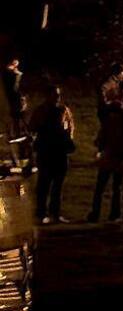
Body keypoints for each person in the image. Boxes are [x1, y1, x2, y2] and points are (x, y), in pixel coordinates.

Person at [87, 85, 123, 223]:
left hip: (107, 158)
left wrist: (100, 150)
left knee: (100, 187)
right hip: (119, 159)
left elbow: (99, 141)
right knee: (117, 188)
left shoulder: (107, 123)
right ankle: (115, 213)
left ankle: (95, 213)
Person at [30, 87, 75, 224]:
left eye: (58, 95)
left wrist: (69, 139)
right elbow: (33, 127)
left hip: (60, 152)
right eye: (54, 94)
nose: (57, 97)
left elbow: (70, 126)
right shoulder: (41, 111)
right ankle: (41, 213)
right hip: (46, 151)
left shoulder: (64, 110)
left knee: (58, 184)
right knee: (44, 183)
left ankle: (55, 213)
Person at [5, 57, 28, 172]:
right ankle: (17, 159)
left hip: (18, 109)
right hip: (13, 109)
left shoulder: (18, 81)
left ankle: (22, 159)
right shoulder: (10, 77)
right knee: (14, 134)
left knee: (21, 133)